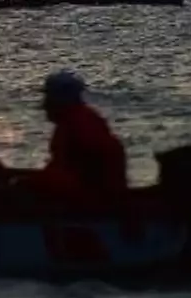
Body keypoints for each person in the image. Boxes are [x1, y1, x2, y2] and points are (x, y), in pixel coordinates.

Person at [35, 70, 127, 201]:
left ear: (60, 100)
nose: (43, 105)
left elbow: (81, 176)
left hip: (91, 202)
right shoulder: (78, 120)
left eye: (48, 98)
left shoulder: (79, 125)